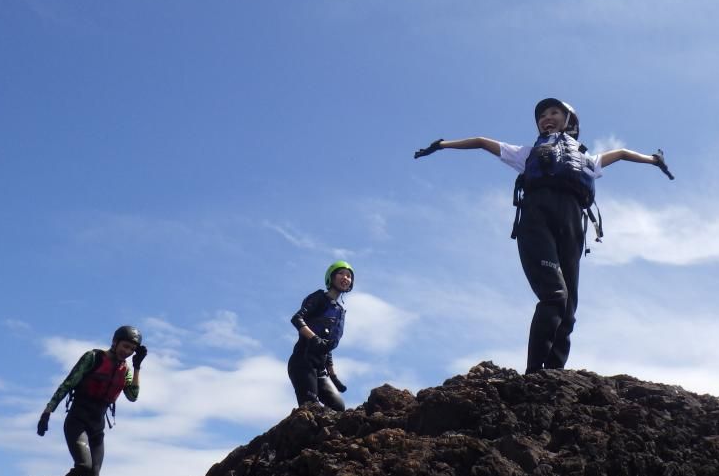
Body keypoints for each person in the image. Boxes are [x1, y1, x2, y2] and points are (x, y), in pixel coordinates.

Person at [414, 98, 673, 374]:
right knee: (554, 295)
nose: (545, 118)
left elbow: (621, 153)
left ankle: (553, 376)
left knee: (569, 309)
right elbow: (480, 141)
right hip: (538, 219)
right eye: (541, 116)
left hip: (573, 224)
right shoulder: (526, 154)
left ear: (569, 120)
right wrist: (441, 145)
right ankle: (534, 374)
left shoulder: (589, 160)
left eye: (553, 113)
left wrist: (654, 160)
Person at [36, 325, 147, 476]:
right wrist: (47, 412)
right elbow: (68, 384)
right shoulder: (93, 357)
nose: (127, 352)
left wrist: (137, 367)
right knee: (83, 466)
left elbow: (132, 396)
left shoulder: (125, 370)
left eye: (132, 350)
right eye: (125, 346)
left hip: (97, 426)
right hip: (77, 420)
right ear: (115, 342)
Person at [288, 261, 353, 411]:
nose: (345, 277)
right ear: (331, 277)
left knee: (339, 408)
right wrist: (314, 338)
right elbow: (297, 319)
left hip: (321, 369)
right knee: (311, 408)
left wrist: (333, 375)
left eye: (349, 276)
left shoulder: (339, 311)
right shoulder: (319, 297)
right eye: (341, 273)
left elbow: (326, 346)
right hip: (303, 361)